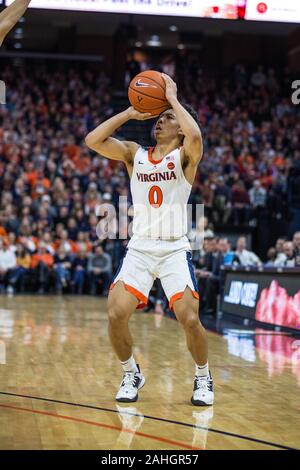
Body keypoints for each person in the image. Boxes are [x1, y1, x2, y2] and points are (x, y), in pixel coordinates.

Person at [85, 73, 213, 406]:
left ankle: (203, 378)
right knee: (115, 314)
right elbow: (92, 141)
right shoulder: (134, 153)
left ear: (180, 128)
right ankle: (131, 373)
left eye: (168, 119)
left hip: (173, 248)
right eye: (159, 118)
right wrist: (128, 113)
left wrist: (172, 99)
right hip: (141, 248)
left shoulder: (186, 156)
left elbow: (196, 134)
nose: (160, 122)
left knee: (189, 318)